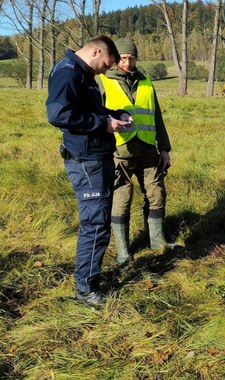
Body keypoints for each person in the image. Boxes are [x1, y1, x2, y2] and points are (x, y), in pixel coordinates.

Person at [46, 35, 131, 306]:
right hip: (86, 161)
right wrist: (103, 125)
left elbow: (90, 110)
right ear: (96, 51)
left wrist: (115, 114)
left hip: (96, 157)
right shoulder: (68, 74)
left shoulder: (82, 74)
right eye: (106, 64)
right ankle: (86, 288)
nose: (105, 70)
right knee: (95, 224)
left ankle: (89, 277)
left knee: (99, 221)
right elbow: (59, 115)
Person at [96, 38, 173, 265]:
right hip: (119, 150)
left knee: (156, 193)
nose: (127, 63)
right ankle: (123, 251)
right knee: (122, 197)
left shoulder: (146, 81)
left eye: (132, 58)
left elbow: (157, 117)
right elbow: (97, 116)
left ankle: (157, 242)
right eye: (122, 58)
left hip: (148, 149)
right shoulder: (102, 80)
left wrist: (164, 148)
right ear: (115, 59)